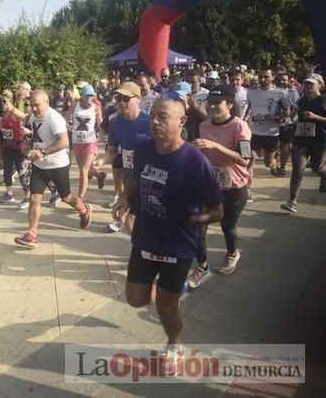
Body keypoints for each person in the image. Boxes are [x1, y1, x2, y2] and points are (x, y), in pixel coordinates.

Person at [114, 97, 223, 374]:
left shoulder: (195, 162)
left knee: (166, 306)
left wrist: (201, 218)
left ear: (181, 122)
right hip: (145, 237)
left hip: (178, 244)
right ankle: (166, 291)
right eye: (152, 116)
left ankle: (174, 344)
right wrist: (124, 199)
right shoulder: (142, 151)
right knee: (136, 299)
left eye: (163, 117)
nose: (154, 122)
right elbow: (135, 178)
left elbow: (218, 210)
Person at [186, 86, 252, 288]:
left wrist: (215, 146)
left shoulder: (239, 127)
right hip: (208, 184)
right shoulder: (204, 125)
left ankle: (232, 253)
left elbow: (244, 159)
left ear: (229, 104)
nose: (212, 106)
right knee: (198, 226)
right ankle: (202, 266)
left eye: (217, 103)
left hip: (234, 185)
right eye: (210, 103)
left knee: (228, 227)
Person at [13, 90, 92, 249]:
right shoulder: (34, 117)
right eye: (32, 105)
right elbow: (36, 136)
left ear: (46, 102)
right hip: (39, 166)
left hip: (57, 166)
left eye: (37, 105)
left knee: (67, 198)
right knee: (34, 199)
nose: (34, 108)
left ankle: (84, 209)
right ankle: (32, 234)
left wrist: (43, 152)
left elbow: (64, 142)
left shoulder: (55, 118)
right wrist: (29, 146)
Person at [94, 82, 153, 233]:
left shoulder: (150, 122)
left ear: (138, 99)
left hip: (151, 179)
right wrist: (101, 161)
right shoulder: (115, 123)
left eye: (126, 98)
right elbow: (112, 152)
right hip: (129, 179)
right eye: (118, 98)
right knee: (134, 224)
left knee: (141, 222)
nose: (121, 102)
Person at [280, 74, 326, 213]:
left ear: (320, 85)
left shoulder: (324, 100)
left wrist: (315, 117)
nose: (308, 86)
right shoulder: (300, 101)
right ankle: (292, 202)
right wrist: (290, 123)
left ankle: (324, 179)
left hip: (321, 141)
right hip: (301, 140)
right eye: (306, 83)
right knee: (298, 170)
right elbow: (296, 116)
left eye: (311, 84)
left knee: (319, 169)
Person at [246, 68, 291, 179]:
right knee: (249, 159)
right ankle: (246, 183)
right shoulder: (251, 92)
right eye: (260, 77)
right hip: (253, 131)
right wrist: (245, 118)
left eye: (266, 76)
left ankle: (274, 164)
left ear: (273, 77)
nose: (262, 79)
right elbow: (250, 107)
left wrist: (275, 117)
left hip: (271, 133)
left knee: (268, 163)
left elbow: (287, 111)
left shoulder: (281, 93)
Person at [72, 84, 105, 200]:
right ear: (82, 96)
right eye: (87, 96)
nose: (89, 98)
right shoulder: (75, 105)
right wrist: (68, 126)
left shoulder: (96, 108)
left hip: (90, 142)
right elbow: (67, 117)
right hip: (77, 141)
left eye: (91, 96)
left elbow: (100, 123)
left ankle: (80, 197)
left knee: (83, 170)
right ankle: (99, 175)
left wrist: (104, 133)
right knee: (85, 169)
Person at [0, 90, 30, 207]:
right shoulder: (4, 112)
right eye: (1, 101)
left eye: (4, 101)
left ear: (11, 101)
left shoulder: (15, 112)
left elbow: (27, 117)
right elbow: (5, 124)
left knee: (22, 172)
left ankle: (28, 196)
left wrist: (25, 130)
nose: (2, 103)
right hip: (7, 146)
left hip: (18, 147)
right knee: (6, 170)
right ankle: (9, 193)